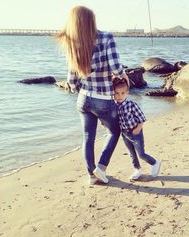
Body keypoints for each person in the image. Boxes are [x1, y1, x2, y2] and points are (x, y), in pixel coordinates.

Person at [57, 6, 129, 185]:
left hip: (83, 99)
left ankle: (91, 176)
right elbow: (115, 67)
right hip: (103, 98)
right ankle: (101, 168)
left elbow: (72, 82)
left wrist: (81, 85)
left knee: (88, 137)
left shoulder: (73, 44)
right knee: (114, 131)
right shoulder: (106, 37)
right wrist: (124, 74)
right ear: (91, 21)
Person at [113, 78, 161, 180]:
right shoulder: (114, 105)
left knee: (141, 154)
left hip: (135, 132)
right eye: (117, 93)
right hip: (125, 134)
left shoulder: (131, 104)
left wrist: (138, 128)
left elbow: (141, 118)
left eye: (122, 93)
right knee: (131, 153)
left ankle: (155, 163)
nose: (119, 96)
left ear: (127, 93)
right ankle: (137, 169)